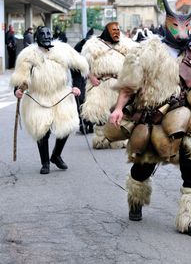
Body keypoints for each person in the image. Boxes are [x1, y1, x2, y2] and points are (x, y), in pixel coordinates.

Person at [109, 0, 191, 237]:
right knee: (143, 169)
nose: (182, 31)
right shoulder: (147, 52)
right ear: (167, 24)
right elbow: (128, 86)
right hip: (153, 121)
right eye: (177, 26)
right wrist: (119, 109)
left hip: (188, 124)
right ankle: (136, 199)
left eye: (186, 26)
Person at [10, 25, 89, 174]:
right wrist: (18, 90)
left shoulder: (63, 50)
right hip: (38, 96)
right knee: (42, 129)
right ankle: (45, 162)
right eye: (43, 34)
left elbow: (78, 68)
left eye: (48, 33)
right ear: (36, 37)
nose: (46, 36)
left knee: (67, 126)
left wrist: (77, 86)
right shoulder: (28, 55)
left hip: (60, 93)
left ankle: (56, 155)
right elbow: (21, 77)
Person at [81, 21, 135, 149]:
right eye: (113, 30)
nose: (116, 33)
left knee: (119, 111)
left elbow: (134, 61)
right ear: (107, 31)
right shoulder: (92, 46)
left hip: (118, 84)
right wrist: (91, 77)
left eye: (118, 30)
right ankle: (101, 139)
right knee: (100, 113)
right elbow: (83, 64)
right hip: (100, 84)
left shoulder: (126, 45)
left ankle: (119, 138)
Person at [71, 28, 94, 134]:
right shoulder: (81, 48)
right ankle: (84, 124)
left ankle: (87, 123)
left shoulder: (83, 46)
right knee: (83, 99)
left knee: (86, 100)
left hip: (83, 76)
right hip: (79, 75)